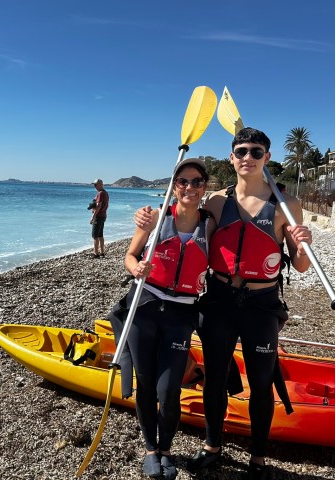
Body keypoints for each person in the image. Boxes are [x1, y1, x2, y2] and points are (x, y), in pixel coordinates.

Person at [135, 127, 312, 480]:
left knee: (261, 383)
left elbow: (302, 264)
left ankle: (258, 459)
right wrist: (147, 220)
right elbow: (184, 223)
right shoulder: (216, 201)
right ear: (232, 158)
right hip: (218, 300)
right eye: (241, 151)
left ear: (267, 157)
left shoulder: (287, 205)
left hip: (262, 302)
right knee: (215, 378)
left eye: (256, 152)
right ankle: (213, 446)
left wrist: (303, 243)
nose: (248, 157)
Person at [109, 158, 215, 479]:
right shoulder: (154, 218)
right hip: (146, 306)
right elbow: (129, 256)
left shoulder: (210, 224)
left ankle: (166, 447)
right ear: (173, 186)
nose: (189, 187)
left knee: (169, 389)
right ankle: (151, 449)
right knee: (146, 383)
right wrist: (135, 267)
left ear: (204, 187)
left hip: (181, 313)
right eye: (182, 182)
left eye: (196, 182)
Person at [90, 179, 109, 257]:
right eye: (94, 185)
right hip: (103, 215)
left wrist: (93, 217)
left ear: (100, 185)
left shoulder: (100, 193)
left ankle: (96, 253)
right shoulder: (105, 193)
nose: (94, 186)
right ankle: (102, 252)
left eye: (95, 185)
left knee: (95, 236)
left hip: (98, 216)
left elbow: (98, 206)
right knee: (100, 235)